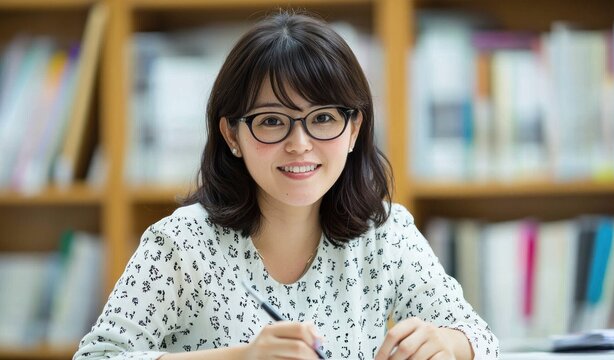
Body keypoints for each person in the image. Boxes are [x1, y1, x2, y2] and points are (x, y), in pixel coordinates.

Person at [74, 10, 499, 360]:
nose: (300, 145)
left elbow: (481, 339)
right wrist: (242, 358)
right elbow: (96, 357)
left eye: (324, 119)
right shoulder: (182, 242)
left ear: (353, 130)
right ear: (231, 135)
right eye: (272, 121)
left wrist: (449, 344)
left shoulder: (385, 234)